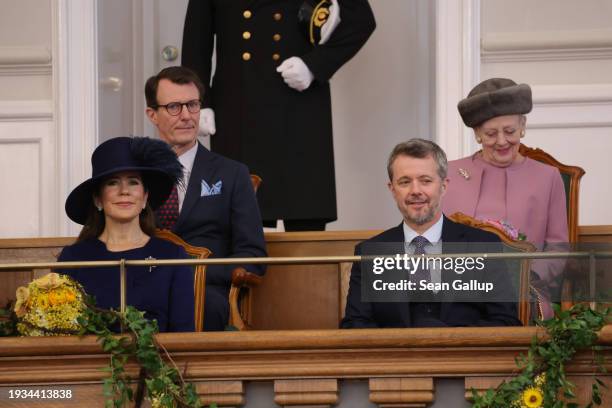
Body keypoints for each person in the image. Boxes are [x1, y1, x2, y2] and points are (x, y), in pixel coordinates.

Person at [181, 0, 376, 231]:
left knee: (306, 216)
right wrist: (199, 101)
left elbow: (361, 20)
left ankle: (308, 269)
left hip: (300, 101)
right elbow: (197, 39)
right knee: (242, 217)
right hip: (238, 106)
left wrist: (314, 65)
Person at [341, 139, 521, 328]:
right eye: (404, 182)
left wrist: (450, 341)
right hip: (396, 356)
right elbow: (354, 325)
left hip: (463, 356)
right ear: (392, 190)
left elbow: (506, 321)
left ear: (444, 186)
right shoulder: (370, 252)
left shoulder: (484, 246)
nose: (415, 191)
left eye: (425, 181)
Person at [145, 66, 267, 331]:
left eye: (193, 105)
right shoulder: (134, 175)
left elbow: (253, 255)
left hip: (204, 291)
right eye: (175, 107)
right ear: (152, 114)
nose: (187, 116)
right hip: (142, 285)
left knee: (199, 304)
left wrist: (194, 273)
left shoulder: (232, 173)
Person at [442, 78, 569, 318]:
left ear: (523, 126)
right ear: (477, 134)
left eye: (510, 131)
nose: (501, 141)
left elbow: (558, 246)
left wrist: (525, 277)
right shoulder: (448, 174)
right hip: (458, 293)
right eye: (490, 133)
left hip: (524, 293)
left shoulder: (548, 176)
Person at [57, 136, 194, 332]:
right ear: (98, 199)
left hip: (159, 361)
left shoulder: (173, 256)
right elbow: (63, 336)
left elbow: (185, 335)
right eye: (113, 183)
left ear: (145, 196)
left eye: (133, 182)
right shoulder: (73, 259)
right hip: (91, 362)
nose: (124, 191)